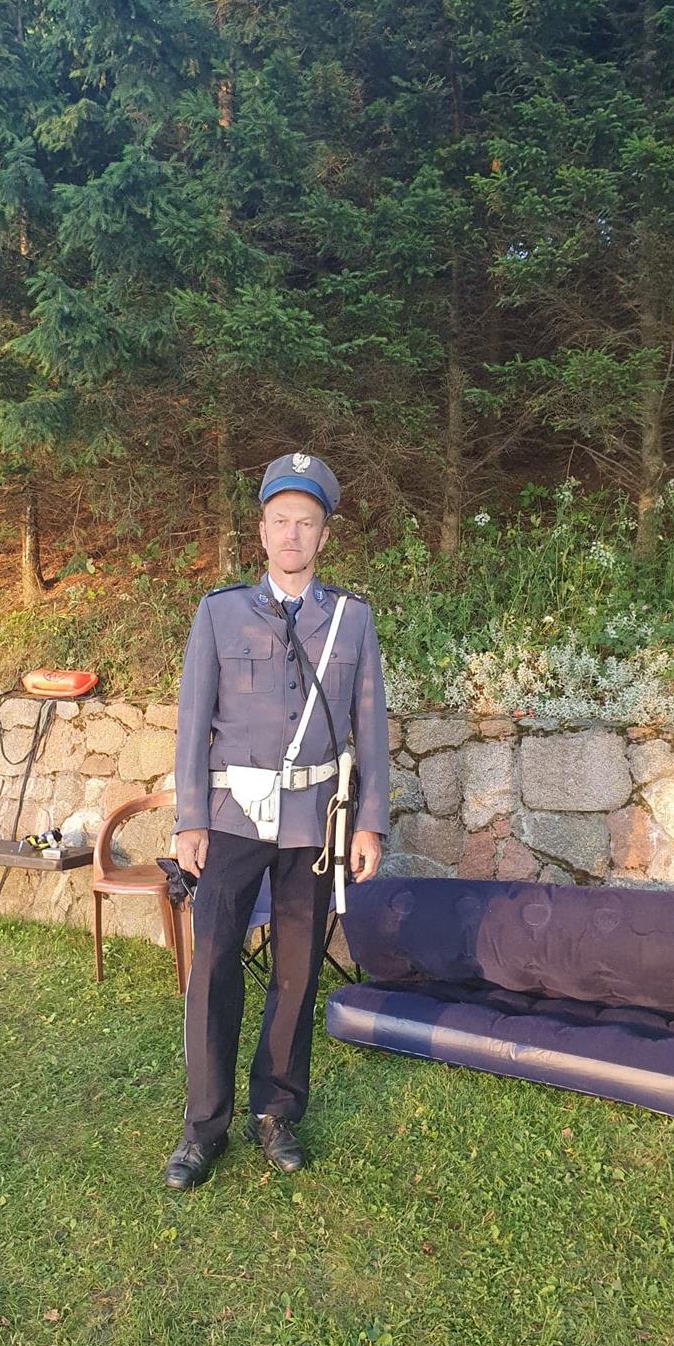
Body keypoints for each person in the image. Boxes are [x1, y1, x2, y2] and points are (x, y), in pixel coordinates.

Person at [164, 452, 390, 1189]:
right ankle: (204, 1127)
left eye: (307, 522)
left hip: (314, 826)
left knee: (296, 972)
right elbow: (192, 722)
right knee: (212, 967)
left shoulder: (351, 620)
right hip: (232, 818)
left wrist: (369, 823)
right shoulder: (219, 611)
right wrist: (189, 820)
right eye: (280, 520)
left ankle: (276, 1113)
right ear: (261, 532)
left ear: (324, 535)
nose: (292, 534)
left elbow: (370, 727)